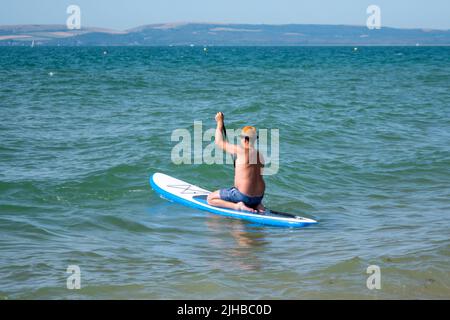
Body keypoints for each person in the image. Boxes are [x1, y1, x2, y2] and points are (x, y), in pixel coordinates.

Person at [207, 112, 265, 213]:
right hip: (259, 197)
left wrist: (219, 122)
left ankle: (238, 206)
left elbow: (219, 142)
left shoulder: (241, 150)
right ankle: (259, 206)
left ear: (246, 139)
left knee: (210, 199)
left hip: (243, 196)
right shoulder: (260, 155)